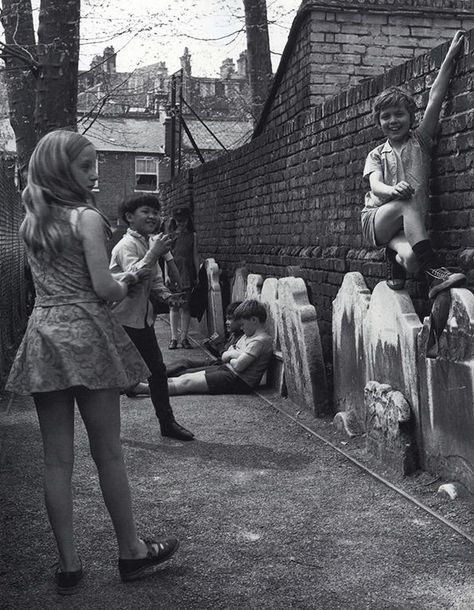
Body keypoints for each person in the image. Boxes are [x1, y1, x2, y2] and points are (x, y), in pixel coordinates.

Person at [5, 130, 179, 594]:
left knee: (56, 460)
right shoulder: (86, 218)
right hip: (86, 335)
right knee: (108, 452)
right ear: (65, 170)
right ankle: (132, 553)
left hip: (44, 334)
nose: (94, 173)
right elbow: (104, 289)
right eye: (86, 166)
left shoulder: (31, 221)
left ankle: (68, 565)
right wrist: (132, 278)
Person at [361, 30, 467, 299]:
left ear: (411, 117)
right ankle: (435, 273)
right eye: (386, 117)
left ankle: (394, 253)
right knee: (406, 203)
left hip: (407, 225)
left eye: (399, 114)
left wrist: (450, 57)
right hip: (378, 220)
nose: (393, 121)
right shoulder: (376, 153)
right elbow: (375, 186)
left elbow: (435, 97)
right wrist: (392, 190)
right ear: (379, 122)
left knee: (411, 260)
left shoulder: (421, 140)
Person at [110, 193, 194, 441]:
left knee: (156, 371)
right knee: (115, 376)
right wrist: (154, 252)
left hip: (141, 319)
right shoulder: (126, 246)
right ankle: (108, 432)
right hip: (120, 321)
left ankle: (167, 424)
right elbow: (133, 275)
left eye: (156, 212)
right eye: (145, 211)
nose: (153, 216)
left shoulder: (148, 243)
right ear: (129, 217)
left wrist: (168, 297)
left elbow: (155, 280)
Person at [168, 300, 273, 396]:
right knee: (185, 377)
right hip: (228, 370)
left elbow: (238, 366)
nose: (241, 328)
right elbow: (225, 356)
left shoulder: (260, 341)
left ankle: (154, 390)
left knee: (187, 382)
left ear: (254, 320)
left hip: (238, 380)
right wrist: (237, 354)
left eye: (243, 324)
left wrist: (232, 353)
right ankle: (154, 383)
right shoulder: (248, 336)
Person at [166, 301, 244, 377]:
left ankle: (161, 377)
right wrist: (210, 346)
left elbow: (226, 355)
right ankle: (160, 373)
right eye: (227, 319)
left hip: (222, 367)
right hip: (216, 363)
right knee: (184, 362)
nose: (227, 322)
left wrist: (219, 347)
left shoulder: (241, 339)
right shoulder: (234, 334)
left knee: (186, 373)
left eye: (230, 319)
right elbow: (221, 353)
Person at [166, 207, 199, 350]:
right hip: (174, 273)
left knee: (186, 307)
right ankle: (174, 338)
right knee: (174, 305)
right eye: (178, 221)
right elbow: (167, 257)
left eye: (184, 221)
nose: (181, 224)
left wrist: (197, 274)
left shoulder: (193, 236)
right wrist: (166, 274)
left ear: (188, 220)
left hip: (187, 273)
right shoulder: (170, 236)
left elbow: (195, 255)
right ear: (174, 221)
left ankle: (184, 338)